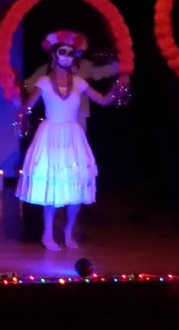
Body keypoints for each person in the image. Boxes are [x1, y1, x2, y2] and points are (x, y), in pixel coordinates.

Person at [14, 31, 118, 251]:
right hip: (50, 135)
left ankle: (69, 231)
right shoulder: (43, 81)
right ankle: (48, 233)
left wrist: (118, 88)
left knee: (75, 185)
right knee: (53, 185)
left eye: (71, 53)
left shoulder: (79, 82)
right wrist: (19, 106)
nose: (67, 56)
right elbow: (27, 106)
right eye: (62, 52)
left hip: (72, 136)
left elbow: (104, 101)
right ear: (54, 56)